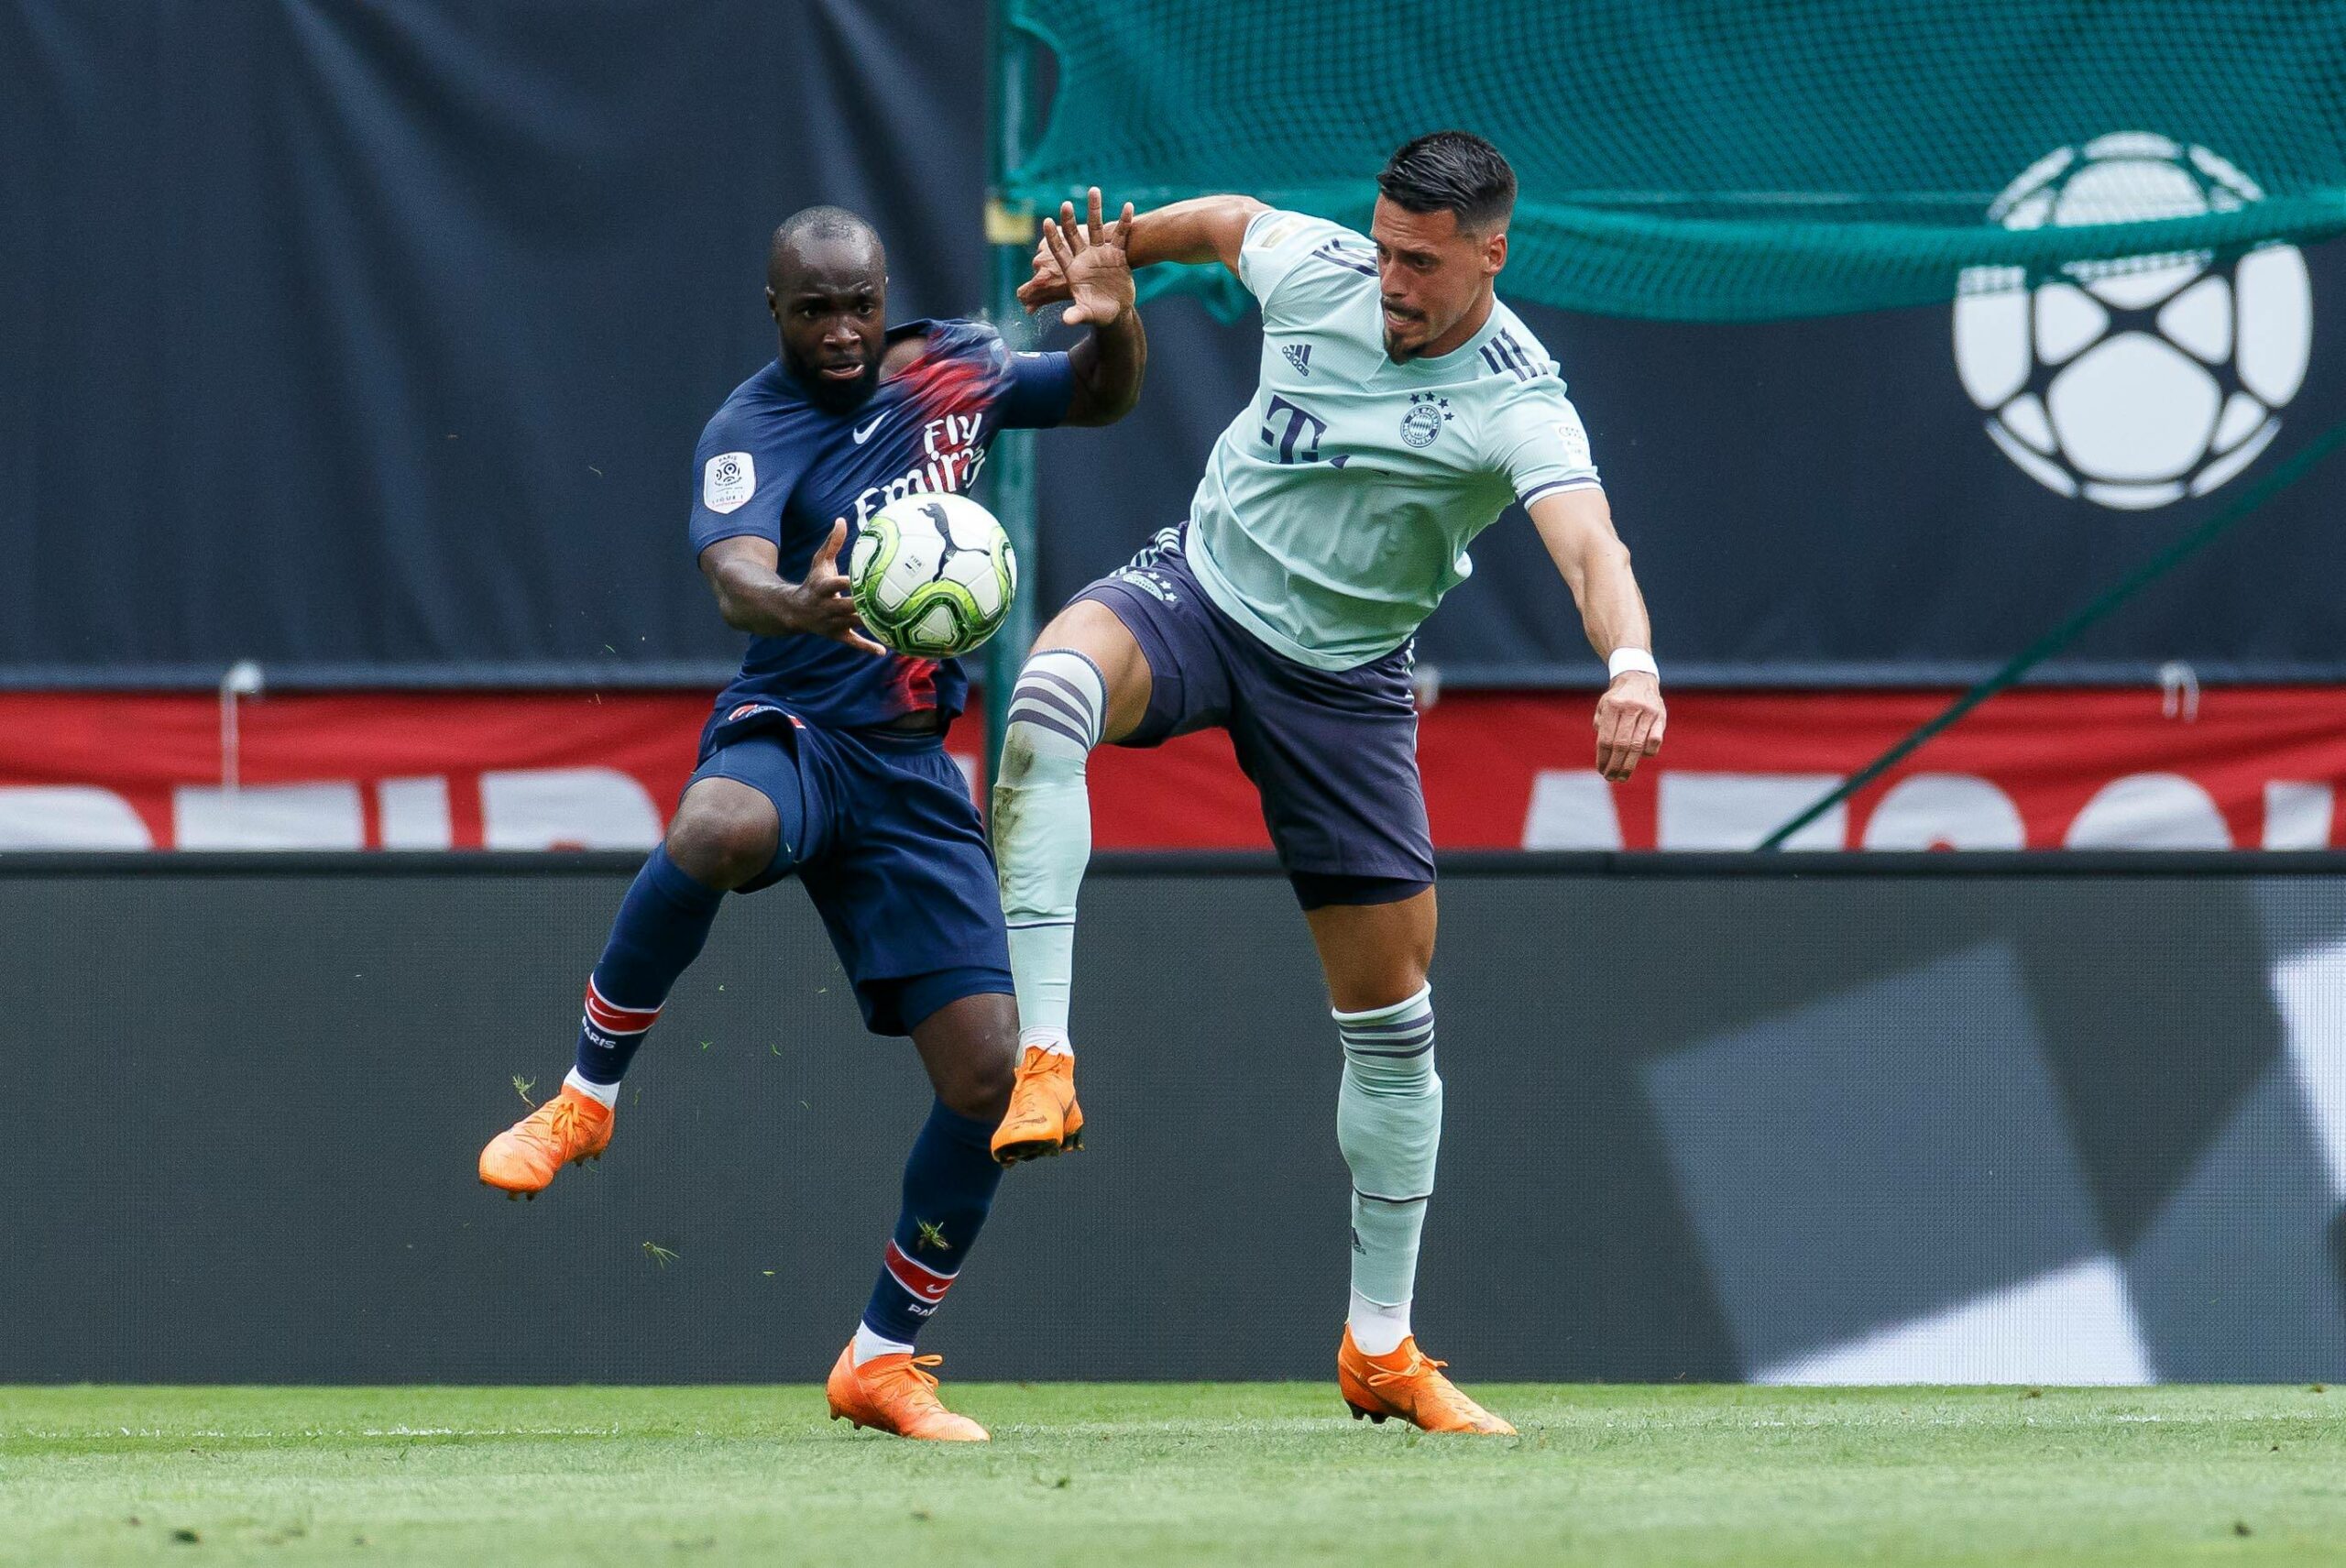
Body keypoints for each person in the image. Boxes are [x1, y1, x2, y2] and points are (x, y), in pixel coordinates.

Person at [989, 134, 1665, 1433]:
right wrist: (1120, 257)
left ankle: (1381, 1347)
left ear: (1491, 254)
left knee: (1396, 1028)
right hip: (1201, 591)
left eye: (1422, 261)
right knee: (1047, 699)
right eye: (1387, 246)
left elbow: (1591, 547)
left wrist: (1631, 662)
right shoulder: (1322, 269)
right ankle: (1047, 1056)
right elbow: (1229, 219)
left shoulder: (1520, 399)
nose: (1392, 279)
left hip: (1345, 684)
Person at [477, 197, 1144, 1441]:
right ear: (773, 310)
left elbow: (1099, 398)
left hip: (908, 774)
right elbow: (732, 574)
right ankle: (584, 1095)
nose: (841, 331)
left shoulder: (955, 369)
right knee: (715, 830)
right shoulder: (755, 423)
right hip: (794, 731)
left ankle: (881, 1359)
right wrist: (801, 600)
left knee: (991, 1079)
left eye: (858, 303)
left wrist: (1117, 323)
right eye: (814, 308)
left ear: (885, 294)